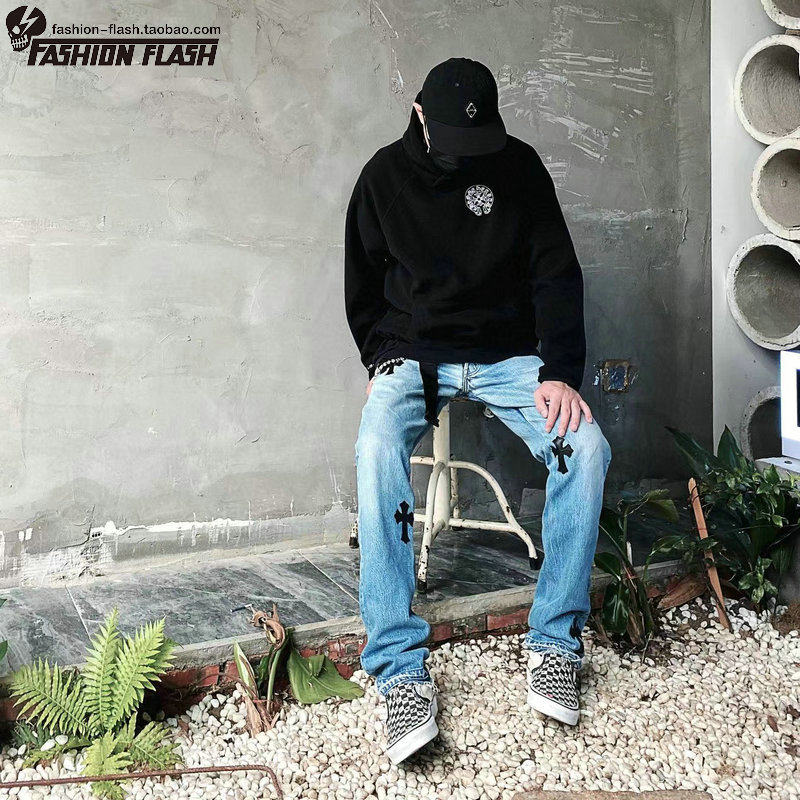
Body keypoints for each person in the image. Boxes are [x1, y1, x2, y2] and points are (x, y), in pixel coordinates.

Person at [344, 57, 611, 764]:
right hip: (413, 354)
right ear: (419, 114)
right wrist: (379, 359)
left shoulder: (518, 168)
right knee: (375, 448)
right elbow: (363, 284)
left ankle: (555, 643)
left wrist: (561, 373)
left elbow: (557, 274)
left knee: (587, 449)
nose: (468, 155)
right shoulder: (382, 178)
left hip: (507, 357)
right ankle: (398, 670)